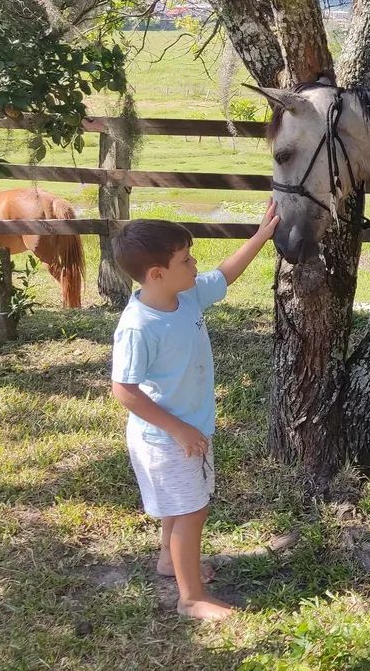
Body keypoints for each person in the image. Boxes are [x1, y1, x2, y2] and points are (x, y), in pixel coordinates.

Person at [109, 202, 279, 620]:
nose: (194, 264)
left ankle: (169, 561)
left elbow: (223, 276)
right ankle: (191, 598)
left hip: (189, 430)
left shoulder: (184, 298)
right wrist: (179, 430)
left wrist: (260, 236)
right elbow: (124, 390)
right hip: (166, 438)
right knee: (191, 511)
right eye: (185, 260)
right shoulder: (139, 326)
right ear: (156, 274)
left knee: (179, 506)